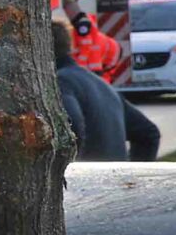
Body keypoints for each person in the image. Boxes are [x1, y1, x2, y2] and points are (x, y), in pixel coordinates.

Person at [54, 19, 127, 161]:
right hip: (111, 176)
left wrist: (73, 166)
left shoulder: (61, 81)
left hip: (87, 178)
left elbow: (73, 125)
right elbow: (149, 133)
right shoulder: (101, 85)